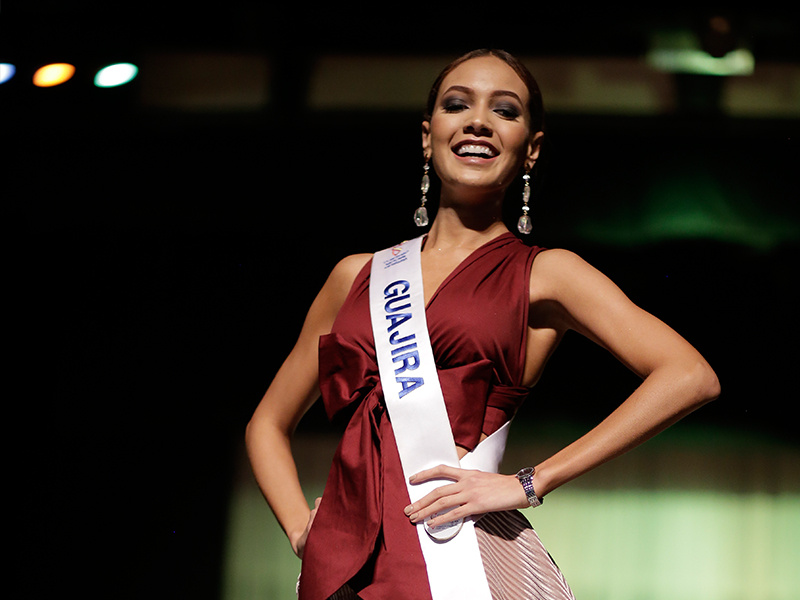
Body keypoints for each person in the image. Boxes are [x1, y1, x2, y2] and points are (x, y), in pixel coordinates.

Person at [245, 49, 720, 600]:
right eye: (457, 104)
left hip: (460, 560)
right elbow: (267, 424)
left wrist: (530, 482)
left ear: (531, 149)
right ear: (428, 136)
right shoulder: (357, 276)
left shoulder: (546, 274)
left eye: (505, 110)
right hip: (349, 565)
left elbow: (690, 375)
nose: (478, 121)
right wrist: (303, 529)